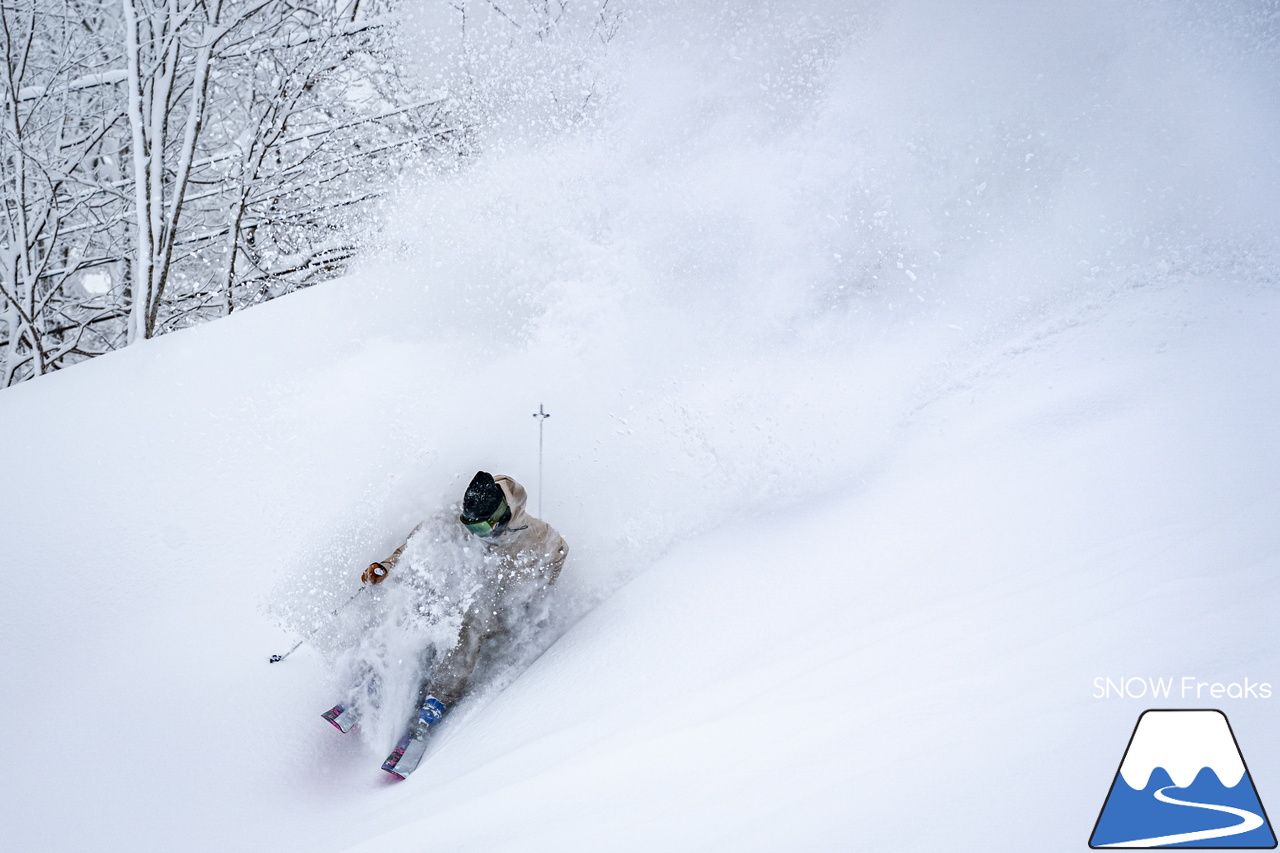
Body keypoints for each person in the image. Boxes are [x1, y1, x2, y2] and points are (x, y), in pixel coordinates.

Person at [326, 471, 568, 775]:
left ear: (500, 517)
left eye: (480, 526)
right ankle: (386, 675)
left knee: (470, 620)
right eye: (469, 525)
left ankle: (436, 701)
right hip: (460, 589)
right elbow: (417, 546)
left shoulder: (536, 535)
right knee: (423, 597)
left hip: (498, 609)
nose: (474, 531)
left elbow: (560, 553)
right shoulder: (457, 517)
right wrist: (386, 566)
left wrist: (535, 593)